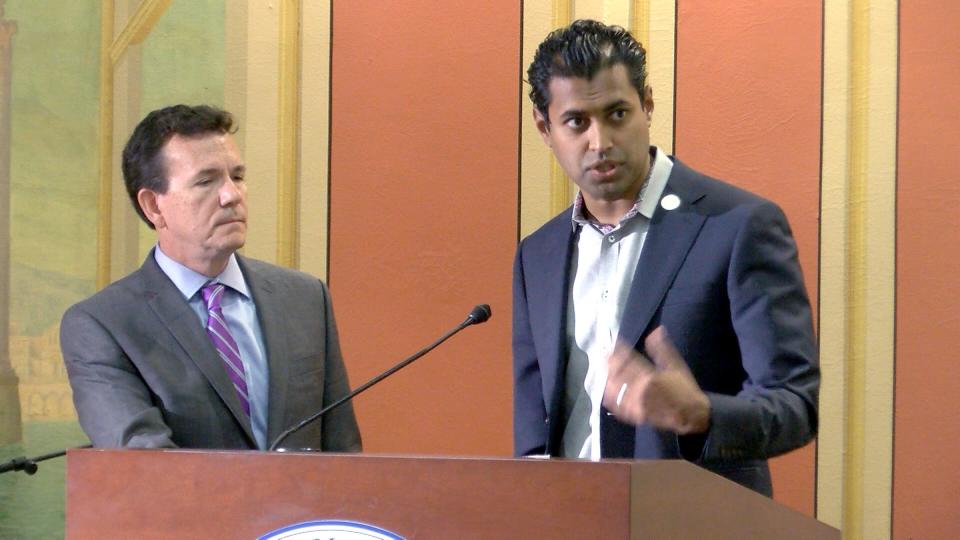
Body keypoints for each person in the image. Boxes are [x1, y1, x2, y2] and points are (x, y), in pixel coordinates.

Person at [513, 20, 818, 495]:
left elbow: (796, 406)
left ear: (647, 105)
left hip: (695, 521)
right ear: (544, 127)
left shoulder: (738, 226)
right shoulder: (539, 254)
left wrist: (701, 414)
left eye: (617, 114)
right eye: (577, 122)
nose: (601, 142)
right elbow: (535, 431)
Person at [61, 105, 361, 452]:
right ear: (153, 206)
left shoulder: (306, 299)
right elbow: (143, 468)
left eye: (237, 176)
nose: (232, 195)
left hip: (309, 509)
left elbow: (343, 454)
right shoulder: (103, 324)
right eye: (206, 181)